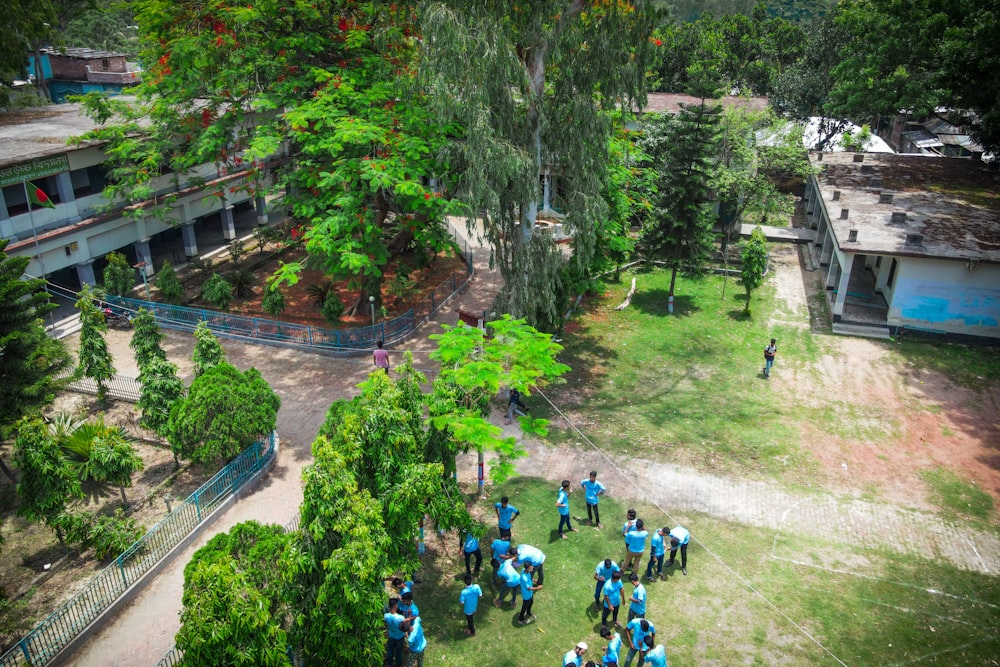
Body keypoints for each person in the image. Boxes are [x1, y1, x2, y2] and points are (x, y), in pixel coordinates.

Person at [383, 597, 406, 667]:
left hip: (391, 636)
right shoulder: (401, 618)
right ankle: (398, 665)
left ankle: (389, 664)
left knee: (390, 651)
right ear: (396, 606)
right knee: (398, 653)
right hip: (400, 637)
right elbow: (404, 627)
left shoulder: (386, 616)